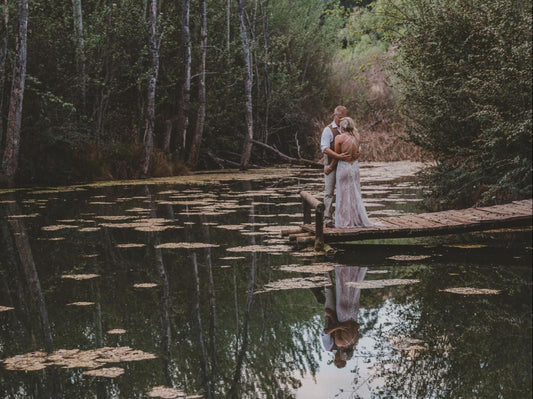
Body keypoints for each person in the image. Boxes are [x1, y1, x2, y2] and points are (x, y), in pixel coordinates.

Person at [326, 116, 373, 228]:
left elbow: (337, 156)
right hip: (354, 167)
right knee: (354, 193)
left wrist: (329, 168)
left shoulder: (339, 138)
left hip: (344, 167)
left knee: (343, 194)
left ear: (342, 127)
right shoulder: (357, 137)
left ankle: (343, 221)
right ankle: (356, 219)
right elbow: (357, 153)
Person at [321, 266, 366, 368]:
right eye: (341, 359)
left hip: (332, 315)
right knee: (340, 290)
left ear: (335, 359)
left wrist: (334, 318)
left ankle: (325, 269)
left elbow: (325, 333)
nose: (339, 357)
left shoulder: (329, 347)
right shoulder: (344, 344)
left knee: (329, 291)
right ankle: (334, 269)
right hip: (339, 315)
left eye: (338, 359)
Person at [320, 106, 351, 228]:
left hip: (344, 166)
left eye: (344, 118)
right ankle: (327, 218)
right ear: (334, 116)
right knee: (329, 192)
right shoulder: (328, 130)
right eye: (340, 118)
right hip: (331, 165)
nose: (342, 120)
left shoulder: (348, 130)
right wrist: (338, 156)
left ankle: (342, 218)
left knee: (344, 192)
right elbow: (325, 148)